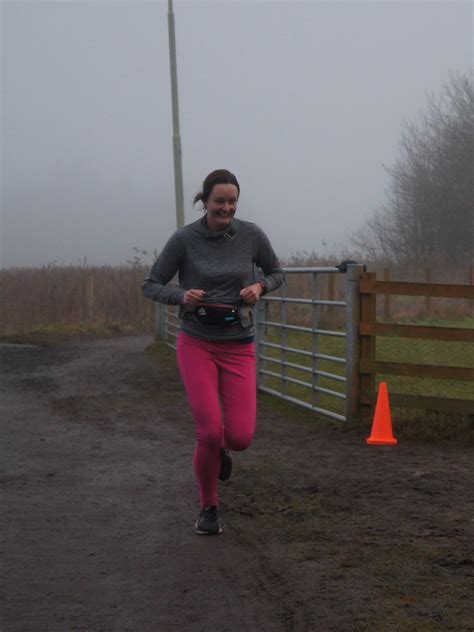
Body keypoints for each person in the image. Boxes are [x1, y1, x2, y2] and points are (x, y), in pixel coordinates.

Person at [141, 169, 285, 535]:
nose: (226, 208)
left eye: (232, 201)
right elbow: (151, 284)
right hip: (197, 342)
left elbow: (278, 271)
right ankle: (209, 507)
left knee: (239, 436)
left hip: (238, 343)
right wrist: (181, 296)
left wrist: (260, 286)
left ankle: (223, 448)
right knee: (208, 430)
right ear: (204, 201)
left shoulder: (251, 235)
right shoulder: (184, 240)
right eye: (219, 201)